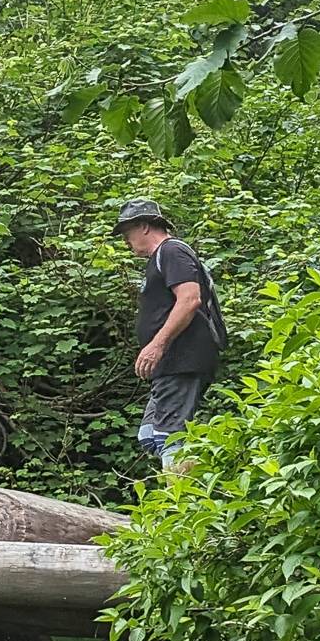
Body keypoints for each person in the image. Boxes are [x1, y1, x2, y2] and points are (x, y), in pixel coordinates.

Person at [115, 198, 225, 466]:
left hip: (182, 359)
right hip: (170, 364)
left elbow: (190, 299)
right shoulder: (162, 258)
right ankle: (189, 484)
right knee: (150, 436)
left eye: (126, 234)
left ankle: (182, 504)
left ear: (143, 226)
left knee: (169, 438)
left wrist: (157, 344)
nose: (126, 242)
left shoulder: (172, 251)